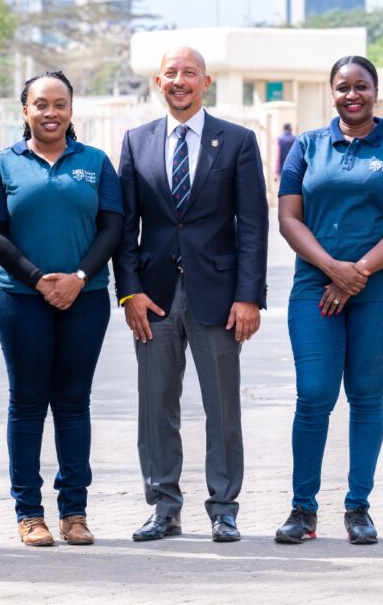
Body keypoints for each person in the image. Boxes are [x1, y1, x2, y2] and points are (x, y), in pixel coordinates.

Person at [113, 46, 268, 543]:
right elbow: (124, 227)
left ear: (206, 82)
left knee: (222, 404)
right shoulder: (136, 142)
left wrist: (249, 296)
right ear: (159, 82)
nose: (180, 81)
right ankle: (163, 507)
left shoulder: (238, 142)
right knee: (155, 403)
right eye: (171, 73)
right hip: (152, 298)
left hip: (219, 297)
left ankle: (224, 507)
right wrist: (128, 292)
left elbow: (253, 227)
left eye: (190, 73)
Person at [272, 56, 383, 546]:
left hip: (382, 291)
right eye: (343, 87)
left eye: (361, 86)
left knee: (364, 394)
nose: (352, 95)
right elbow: (289, 219)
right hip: (314, 288)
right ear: (331, 93)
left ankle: (358, 507)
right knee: (314, 394)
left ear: (375, 92)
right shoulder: (307, 147)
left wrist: (357, 273)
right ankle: (302, 509)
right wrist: (333, 270)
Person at [0, 71, 123, 547]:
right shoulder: (3, 164)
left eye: (59, 104)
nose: (50, 112)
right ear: (26, 112)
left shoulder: (96, 163)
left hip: (85, 301)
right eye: (41, 104)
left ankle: (75, 512)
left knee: (73, 402)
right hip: (21, 302)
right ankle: (29, 512)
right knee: (26, 403)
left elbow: (111, 227)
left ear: (71, 110)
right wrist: (38, 279)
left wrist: (78, 278)